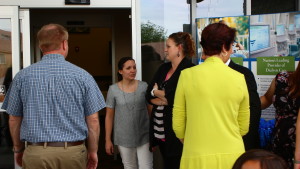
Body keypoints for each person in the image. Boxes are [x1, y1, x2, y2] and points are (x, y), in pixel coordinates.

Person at [1, 23, 106, 169]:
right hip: (72, 153)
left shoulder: (22, 77)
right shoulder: (83, 76)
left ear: (41, 46)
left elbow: (13, 119)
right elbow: (93, 120)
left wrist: (18, 149)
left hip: (35, 154)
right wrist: (93, 151)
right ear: (64, 44)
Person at [172, 23, 250, 169]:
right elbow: (244, 126)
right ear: (224, 47)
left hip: (196, 155)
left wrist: (190, 140)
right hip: (233, 155)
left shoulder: (187, 75)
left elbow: (178, 123)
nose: (232, 50)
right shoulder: (239, 77)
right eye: (231, 45)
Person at [145, 32, 195, 169]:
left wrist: (157, 92)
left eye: (168, 46)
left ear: (179, 48)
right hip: (160, 133)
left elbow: (177, 99)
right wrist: (162, 97)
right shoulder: (163, 68)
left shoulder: (190, 70)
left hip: (178, 137)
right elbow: (147, 95)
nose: (165, 49)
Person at [105, 57, 153, 169]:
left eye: (134, 67)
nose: (133, 70)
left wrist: (153, 135)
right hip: (123, 137)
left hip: (144, 136)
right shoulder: (113, 90)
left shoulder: (144, 86)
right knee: (129, 166)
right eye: (128, 68)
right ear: (120, 71)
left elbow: (151, 112)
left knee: (146, 167)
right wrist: (107, 140)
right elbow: (109, 117)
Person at [260, 62, 300, 169]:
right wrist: (243, 104)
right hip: (279, 147)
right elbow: (266, 99)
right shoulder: (282, 79)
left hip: (297, 154)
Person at [225, 56, 261, 150]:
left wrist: (243, 141)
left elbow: (254, 108)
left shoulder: (243, 73)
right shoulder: (201, 74)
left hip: (240, 141)